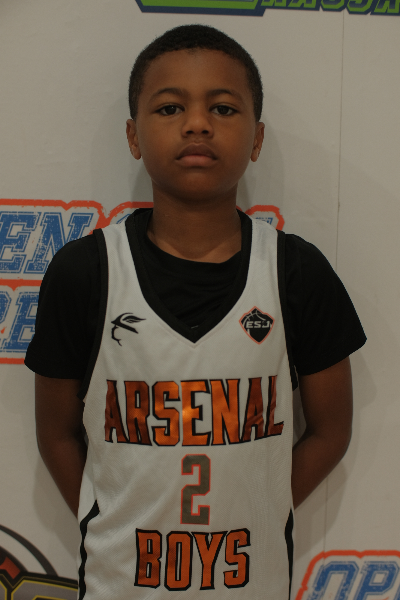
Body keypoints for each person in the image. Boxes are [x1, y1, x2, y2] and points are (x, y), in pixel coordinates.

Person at [25, 24, 366, 600]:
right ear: (133, 136)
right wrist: (104, 512)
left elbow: (331, 430)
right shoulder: (84, 272)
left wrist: (263, 506)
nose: (198, 124)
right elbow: (56, 433)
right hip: (120, 585)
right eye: (170, 107)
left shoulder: (296, 272)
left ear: (256, 139)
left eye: (223, 108)